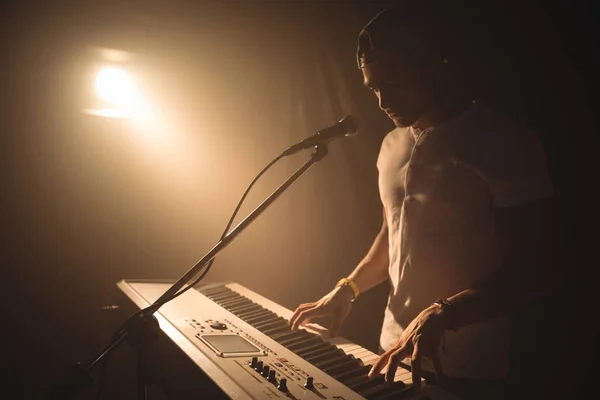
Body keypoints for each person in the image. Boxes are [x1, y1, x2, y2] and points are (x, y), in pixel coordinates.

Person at [290, 2, 571, 399]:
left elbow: (540, 267)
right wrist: (348, 288)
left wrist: (445, 312)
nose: (382, 97)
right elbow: (393, 235)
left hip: (467, 372)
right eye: (373, 86)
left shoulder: (502, 142)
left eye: (393, 79)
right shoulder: (391, 145)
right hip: (389, 353)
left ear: (430, 63)